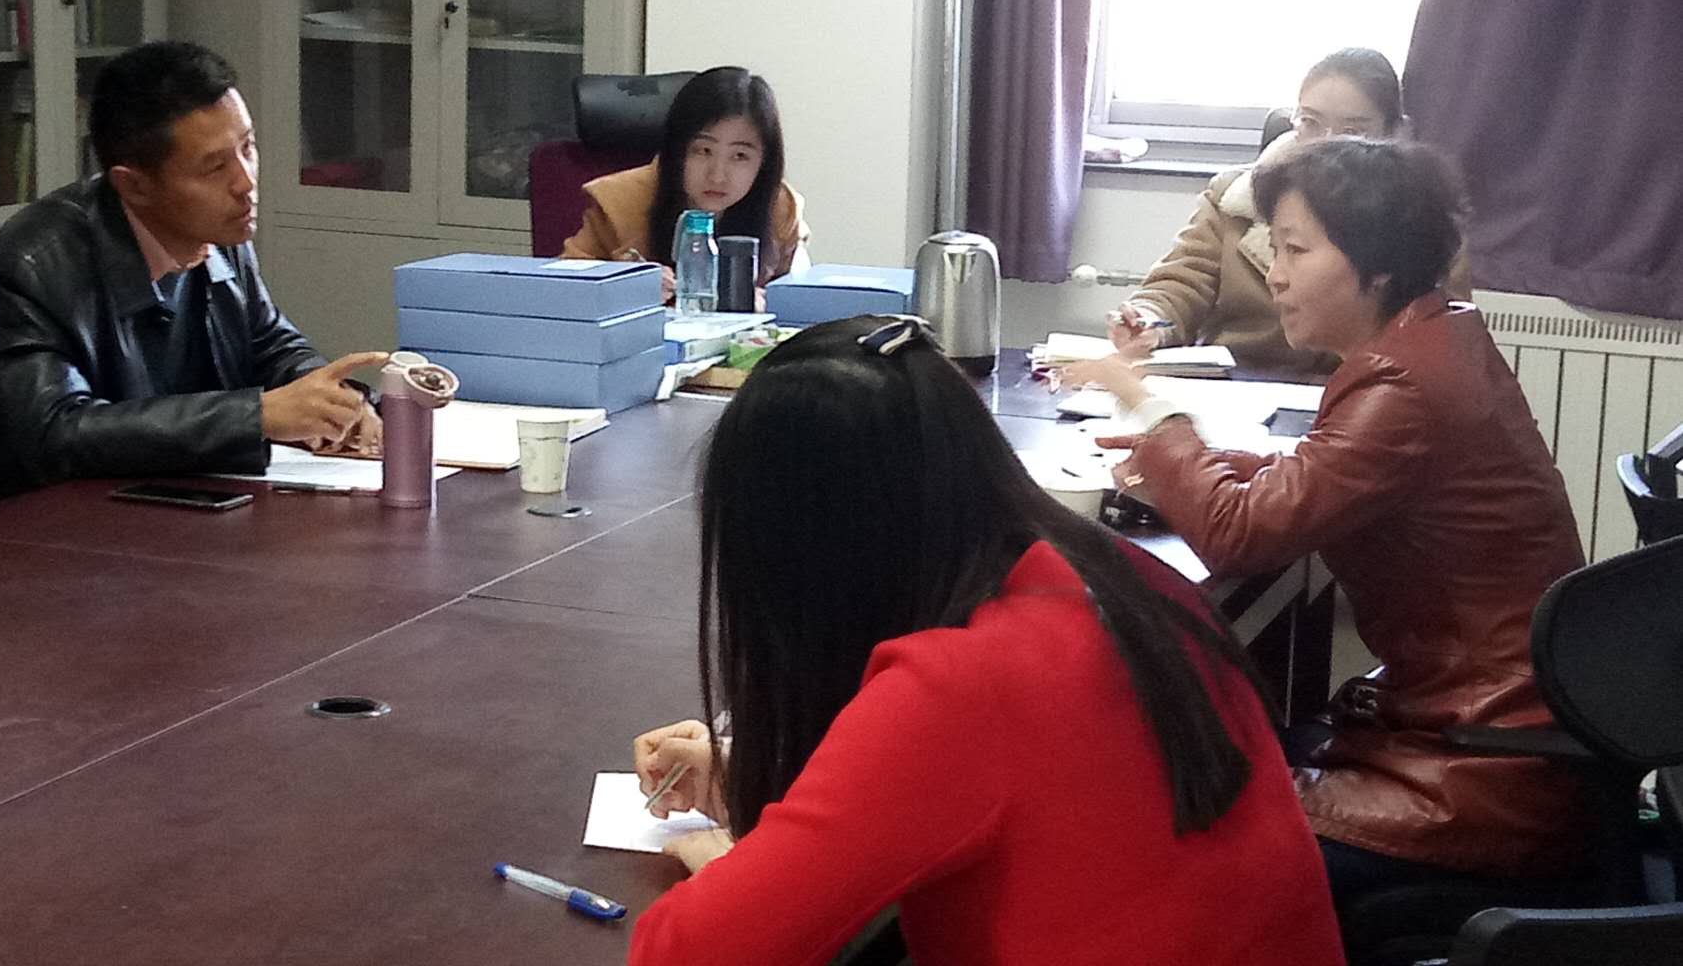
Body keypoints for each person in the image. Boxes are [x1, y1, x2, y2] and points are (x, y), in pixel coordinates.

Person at [625, 316, 1343, 965]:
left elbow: (682, 953)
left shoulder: (958, 687)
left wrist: (737, 871)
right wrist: (756, 782)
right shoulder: (1113, 571)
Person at [1070, 139, 1586, 903]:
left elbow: (1239, 535)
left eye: (1294, 249)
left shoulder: (1401, 382)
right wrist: (1187, 462)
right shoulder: (1434, 336)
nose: (1274, 273)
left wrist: (1149, 408)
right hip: (1492, 731)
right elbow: (1324, 475)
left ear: (1374, 268)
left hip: (1480, 771)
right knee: (1210, 753)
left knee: (1168, 824)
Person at [0, 42, 388, 521]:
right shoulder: (36, 262)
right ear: (134, 185)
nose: (245, 183)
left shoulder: (219, 229)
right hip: (6, 532)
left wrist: (333, 401)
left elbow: (269, 345)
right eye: (215, 167)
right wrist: (257, 415)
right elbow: (57, 432)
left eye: (247, 148)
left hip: (145, 511)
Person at [1110, 48, 1470, 377]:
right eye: (1310, 123)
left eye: (1352, 131)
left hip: (1359, 387)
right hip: (1235, 381)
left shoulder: (1421, 219)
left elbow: (1440, 335)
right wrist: (1148, 320)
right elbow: (1181, 282)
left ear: (1393, 134)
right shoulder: (1234, 199)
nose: (1325, 143)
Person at [561, 65, 810, 304]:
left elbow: (800, 299)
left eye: (740, 156)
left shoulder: (781, 208)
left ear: (765, 162)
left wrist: (767, 303)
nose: (717, 176)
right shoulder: (619, 201)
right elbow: (561, 287)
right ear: (677, 150)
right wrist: (623, 288)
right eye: (703, 151)